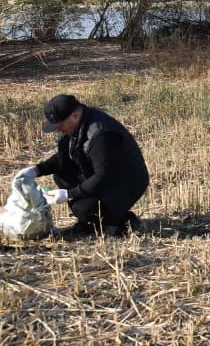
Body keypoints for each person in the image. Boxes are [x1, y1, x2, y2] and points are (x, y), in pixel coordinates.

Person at [14, 94, 149, 239]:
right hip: (104, 176)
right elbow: (64, 158)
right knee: (62, 176)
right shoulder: (76, 127)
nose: (58, 130)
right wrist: (36, 170)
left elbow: (104, 176)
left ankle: (119, 222)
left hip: (126, 183)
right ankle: (97, 221)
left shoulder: (100, 134)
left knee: (83, 209)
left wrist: (70, 195)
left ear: (75, 115)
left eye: (60, 125)